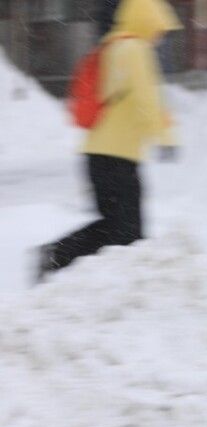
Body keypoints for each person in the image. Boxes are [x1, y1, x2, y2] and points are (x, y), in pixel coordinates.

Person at [37, 0, 181, 280]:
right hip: (116, 157)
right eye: (159, 28)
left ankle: (60, 258)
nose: (160, 36)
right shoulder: (135, 49)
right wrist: (165, 137)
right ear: (147, 21)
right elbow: (147, 99)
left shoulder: (114, 46)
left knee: (117, 228)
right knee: (127, 232)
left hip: (102, 154)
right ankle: (58, 256)